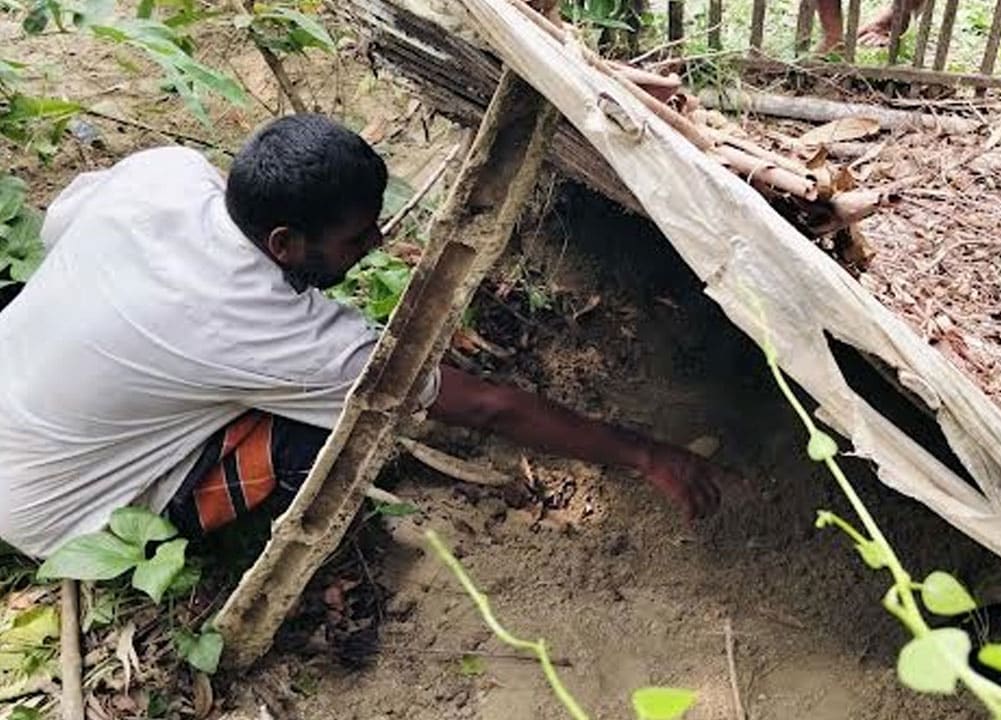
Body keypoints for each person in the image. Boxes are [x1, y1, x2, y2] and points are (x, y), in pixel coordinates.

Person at [0, 114, 730, 559]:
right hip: (51, 510)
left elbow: (63, 225)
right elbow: (484, 408)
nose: (376, 243)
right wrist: (642, 451)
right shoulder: (270, 333)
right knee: (336, 433)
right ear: (283, 242)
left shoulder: (162, 174)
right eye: (357, 236)